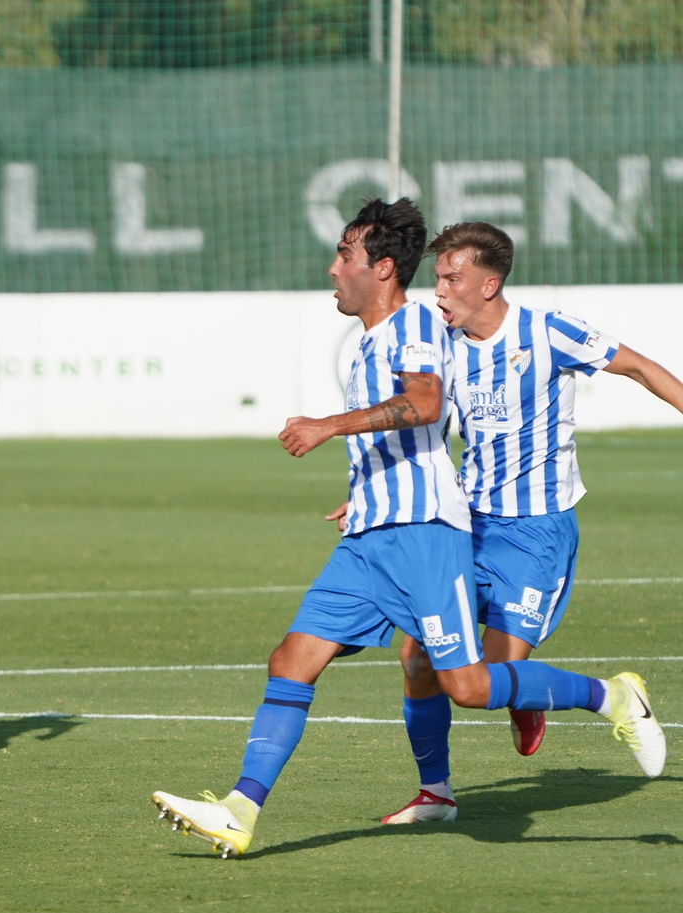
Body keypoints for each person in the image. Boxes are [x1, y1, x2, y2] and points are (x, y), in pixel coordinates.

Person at [149, 198, 660, 859]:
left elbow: (423, 403)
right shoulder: (387, 339)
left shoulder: (417, 324)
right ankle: (240, 811)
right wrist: (364, 493)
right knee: (294, 660)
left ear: (382, 267)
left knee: (469, 686)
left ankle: (608, 696)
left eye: (344, 256)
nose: (333, 269)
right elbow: (431, 426)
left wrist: (329, 426)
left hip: (426, 533)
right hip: (374, 533)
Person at [380, 221, 679, 824]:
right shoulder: (441, 347)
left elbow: (640, 368)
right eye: (438, 278)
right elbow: (422, 426)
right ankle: (436, 794)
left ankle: (580, 693)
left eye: (453, 278)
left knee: (485, 680)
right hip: (465, 525)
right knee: (418, 656)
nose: (439, 290)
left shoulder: (547, 331)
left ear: (489, 284)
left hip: (534, 533)